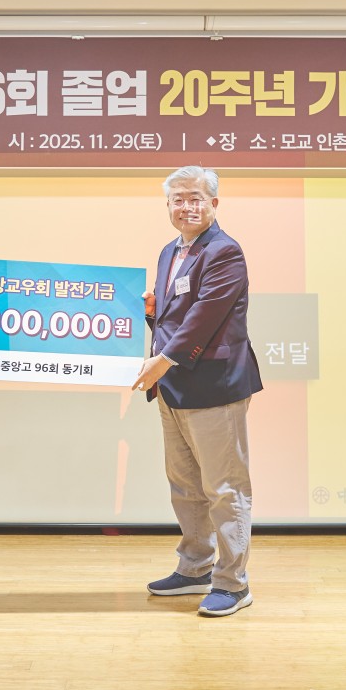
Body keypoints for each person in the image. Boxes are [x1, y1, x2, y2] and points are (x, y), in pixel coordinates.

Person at [131, 165, 263, 617]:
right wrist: (152, 314)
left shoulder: (224, 251)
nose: (186, 206)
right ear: (167, 205)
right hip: (173, 386)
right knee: (186, 486)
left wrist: (161, 361)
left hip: (214, 385)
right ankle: (195, 569)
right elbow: (175, 316)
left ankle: (233, 583)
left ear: (214, 204)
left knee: (225, 488)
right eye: (178, 199)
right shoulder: (169, 251)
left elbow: (205, 317)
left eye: (195, 198)